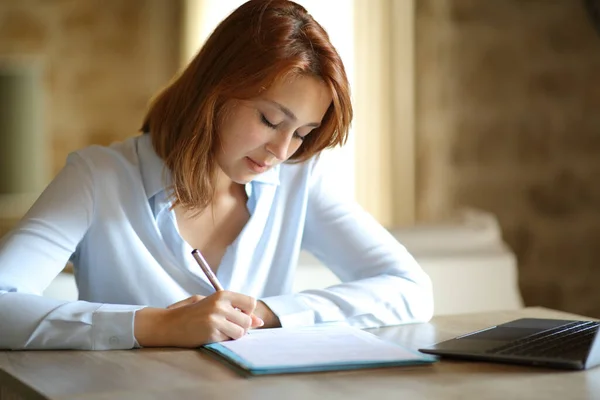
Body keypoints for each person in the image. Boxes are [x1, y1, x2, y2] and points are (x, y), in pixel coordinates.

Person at [0, 0, 433, 350]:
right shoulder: (97, 178)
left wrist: (264, 313)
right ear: (215, 91)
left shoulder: (299, 179)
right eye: (268, 119)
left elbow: (411, 291)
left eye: (302, 133)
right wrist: (155, 326)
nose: (282, 151)